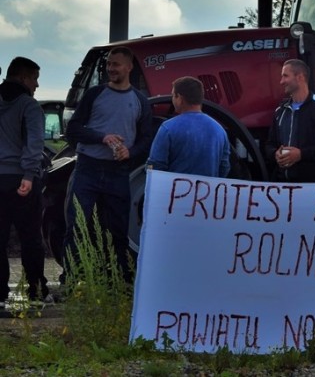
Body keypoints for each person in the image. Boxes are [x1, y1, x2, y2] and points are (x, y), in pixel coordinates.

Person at [64, 47, 152, 283]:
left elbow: (146, 139)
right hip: (88, 168)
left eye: (116, 64)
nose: (111, 69)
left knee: (118, 229)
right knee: (77, 225)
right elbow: (73, 129)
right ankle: (73, 280)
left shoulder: (140, 101)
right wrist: (101, 137)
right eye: (109, 64)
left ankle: (119, 282)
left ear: (129, 67)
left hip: (118, 171)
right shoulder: (94, 94)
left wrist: (130, 152)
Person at [0, 57, 49, 303]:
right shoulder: (29, 105)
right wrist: (29, 174)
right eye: (35, 79)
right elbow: (35, 142)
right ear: (23, 78)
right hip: (22, 180)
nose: (37, 85)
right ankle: (36, 291)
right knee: (30, 238)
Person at [266, 59, 315, 182]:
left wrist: (301, 154)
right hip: (282, 185)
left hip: (312, 188)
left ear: (300, 77)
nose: (281, 81)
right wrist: (275, 154)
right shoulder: (280, 111)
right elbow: (270, 144)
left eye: (285, 76)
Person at [147, 76, 231, 177]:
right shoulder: (219, 130)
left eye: (173, 96)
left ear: (180, 99)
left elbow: (155, 166)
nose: (172, 99)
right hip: (208, 191)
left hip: (176, 192)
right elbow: (224, 167)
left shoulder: (168, 128)